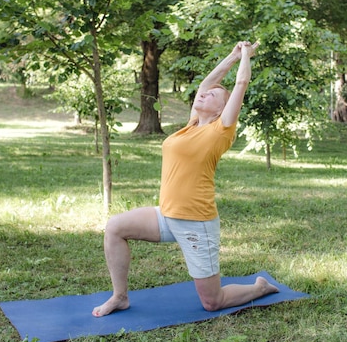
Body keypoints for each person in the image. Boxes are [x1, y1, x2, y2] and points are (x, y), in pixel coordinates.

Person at [92, 41, 279, 317]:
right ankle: (120, 297)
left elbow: (240, 84)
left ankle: (259, 288)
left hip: (196, 222)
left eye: (214, 96)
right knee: (115, 228)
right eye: (204, 94)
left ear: (221, 110)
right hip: (167, 215)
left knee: (212, 302)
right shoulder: (191, 126)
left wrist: (246, 57)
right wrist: (232, 54)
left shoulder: (221, 130)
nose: (204, 94)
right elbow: (205, 83)